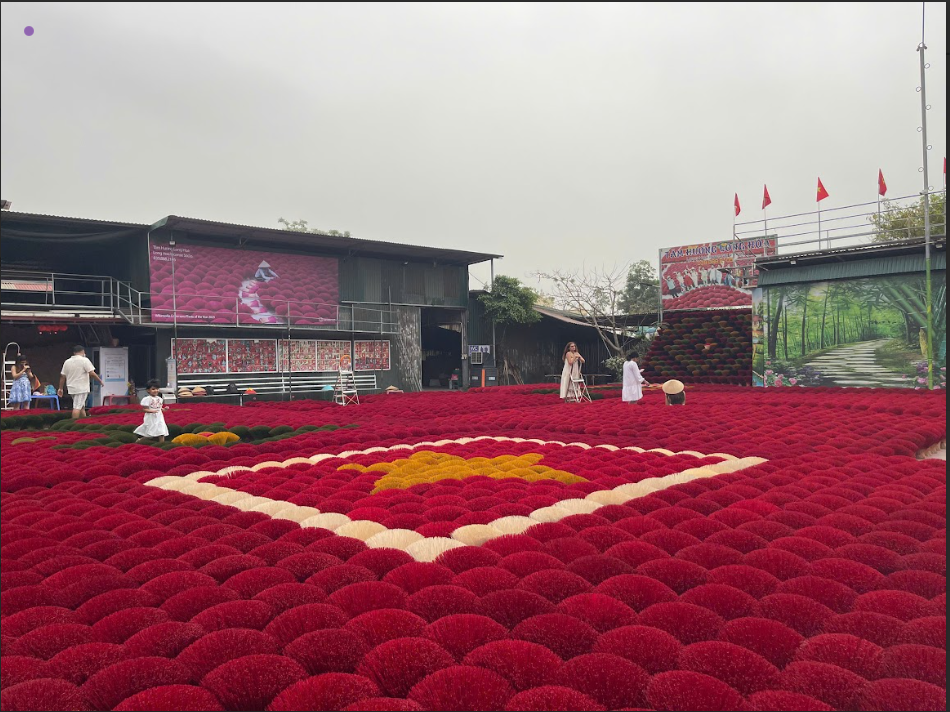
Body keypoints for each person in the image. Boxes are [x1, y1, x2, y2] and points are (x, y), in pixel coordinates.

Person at [58, 345, 105, 419]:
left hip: (71, 388)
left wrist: (60, 388)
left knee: (81, 406)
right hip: (81, 388)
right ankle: (74, 424)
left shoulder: (67, 362)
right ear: (83, 351)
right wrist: (100, 381)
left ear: (74, 352)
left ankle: (84, 421)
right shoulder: (84, 360)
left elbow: (62, 376)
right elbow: (91, 373)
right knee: (77, 407)